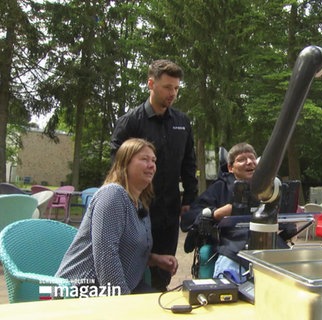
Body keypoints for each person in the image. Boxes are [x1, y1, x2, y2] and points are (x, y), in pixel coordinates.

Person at [110, 59, 197, 291]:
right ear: (151, 84)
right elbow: (116, 162)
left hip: (170, 211)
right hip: (138, 209)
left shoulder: (182, 122)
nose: (173, 93)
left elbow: (189, 163)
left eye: (177, 88)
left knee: (163, 271)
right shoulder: (130, 122)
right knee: (134, 265)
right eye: (168, 87)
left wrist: (189, 199)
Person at [56, 138, 178, 295]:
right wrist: (122, 302)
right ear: (125, 163)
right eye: (144, 159)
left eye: (153, 160)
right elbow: (105, 254)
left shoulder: (140, 204)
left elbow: (126, 249)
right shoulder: (112, 195)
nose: (151, 165)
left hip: (116, 289)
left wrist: (155, 259)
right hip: (81, 289)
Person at [181, 143, 289, 283]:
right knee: (228, 284)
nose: (250, 162)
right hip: (232, 251)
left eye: (252, 158)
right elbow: (188, 218)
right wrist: (216, 213)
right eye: (242, 159)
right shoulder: (220, 187)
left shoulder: (271, 188)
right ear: (231, 168)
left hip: (271, 248)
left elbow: (288, 224)